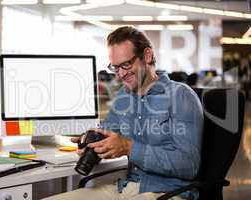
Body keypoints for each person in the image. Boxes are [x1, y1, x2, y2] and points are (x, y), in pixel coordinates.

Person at [45, 26, 203, 200]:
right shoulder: (124, 96)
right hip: (125, 187)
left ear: (147, 55)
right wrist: (92, 142)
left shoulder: (181, 96)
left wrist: (129, 147)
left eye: (126, 64)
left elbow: (189, 165)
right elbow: (106, 134)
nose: (120, 73)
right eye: (115, 67)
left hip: (166, 192)